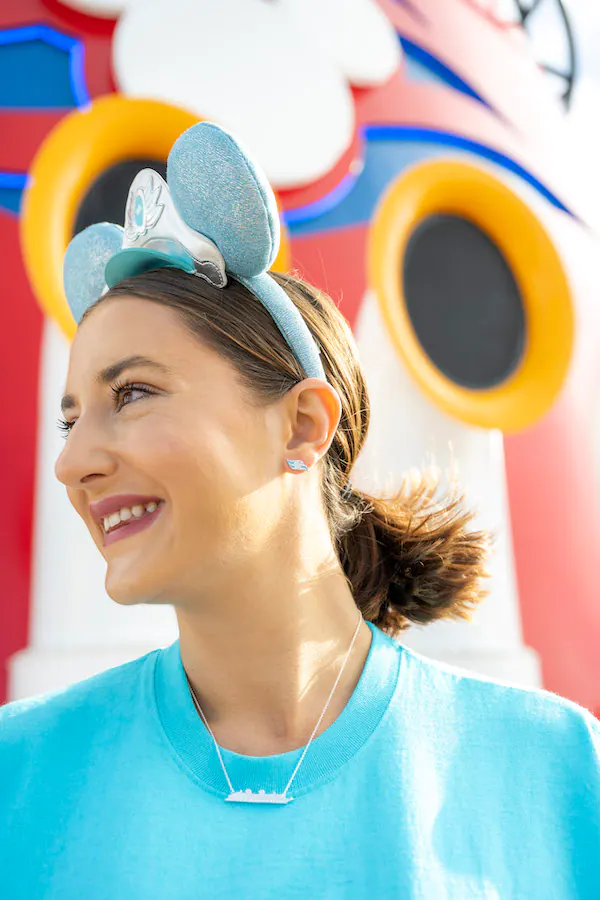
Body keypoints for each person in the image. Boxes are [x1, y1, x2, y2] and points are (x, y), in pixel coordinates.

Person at [1, 122, 598, 899]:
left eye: (133, 393)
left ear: (302, 425)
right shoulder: (18, 776)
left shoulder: (560, 771)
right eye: (70, 421)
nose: (72, 463)